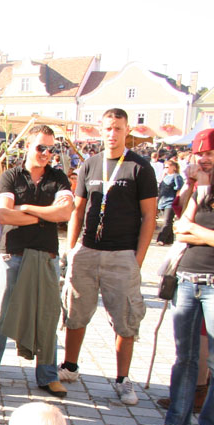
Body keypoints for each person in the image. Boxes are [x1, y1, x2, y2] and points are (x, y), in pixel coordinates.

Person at [60, 108, 157, 405]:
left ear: (126, 131)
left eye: (117, 128)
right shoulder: (90, 164)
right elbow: (77, 209)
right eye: (107, 128)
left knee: (125, 318)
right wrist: (73, 248)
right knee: (75, 311)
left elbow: (150, 217)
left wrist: (137, 260)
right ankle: (70, 366)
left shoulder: (140, 168)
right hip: (88, 251)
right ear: (100, 131)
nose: (112, 134)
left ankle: (123, 379)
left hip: (122, 254)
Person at [0, 125, 73, 399]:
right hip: (14, 253)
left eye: (51, 149)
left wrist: (28, 209)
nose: (46, 153)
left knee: (47, 316)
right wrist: (47, 215)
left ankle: (48, 375)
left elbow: (65, 212)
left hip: (46, 256)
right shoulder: (11, 176)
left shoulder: (58, 178)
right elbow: (4, 216)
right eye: (40, 147)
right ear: (27, 147)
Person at [155, 130, 214, 425]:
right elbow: (181, 227)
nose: (204, 159)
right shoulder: (197, 186)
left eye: (210, 154)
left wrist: (195, 232)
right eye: (199, 154)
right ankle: (176, 418)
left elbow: (190, 230)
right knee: (185, 356)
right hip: (188, 277)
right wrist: (195, 185)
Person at [156, 160, 184, 245]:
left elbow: (179, 189)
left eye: (168, 167)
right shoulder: (165, 176)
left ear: (174, 167)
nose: (166, 169)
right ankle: (169, 239)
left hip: (171, 201)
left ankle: (161, 239)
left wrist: (178, 201)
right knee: (168, 221)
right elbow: (159, 187)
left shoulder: (176, 176)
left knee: (166, 221)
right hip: (163, 201)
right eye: (165, 167)